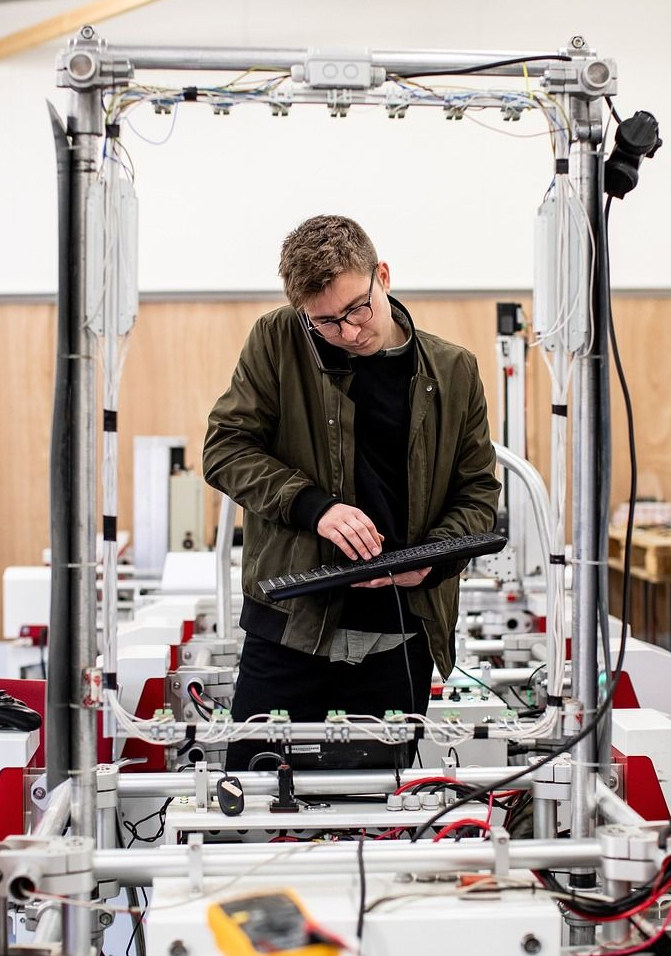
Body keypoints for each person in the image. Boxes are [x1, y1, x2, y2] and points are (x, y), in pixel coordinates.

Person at [203, 215, 500, 770]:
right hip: (289, 634)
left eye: (356, 309)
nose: (347, 332)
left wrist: (429, 564)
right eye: (325, 322)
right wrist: (314, 507)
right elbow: (225, 450)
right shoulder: (279, 340)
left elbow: (479, 494)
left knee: (379, 823)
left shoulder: (455, 371)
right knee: (257, 808)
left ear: (381, 275)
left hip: (398, 642)